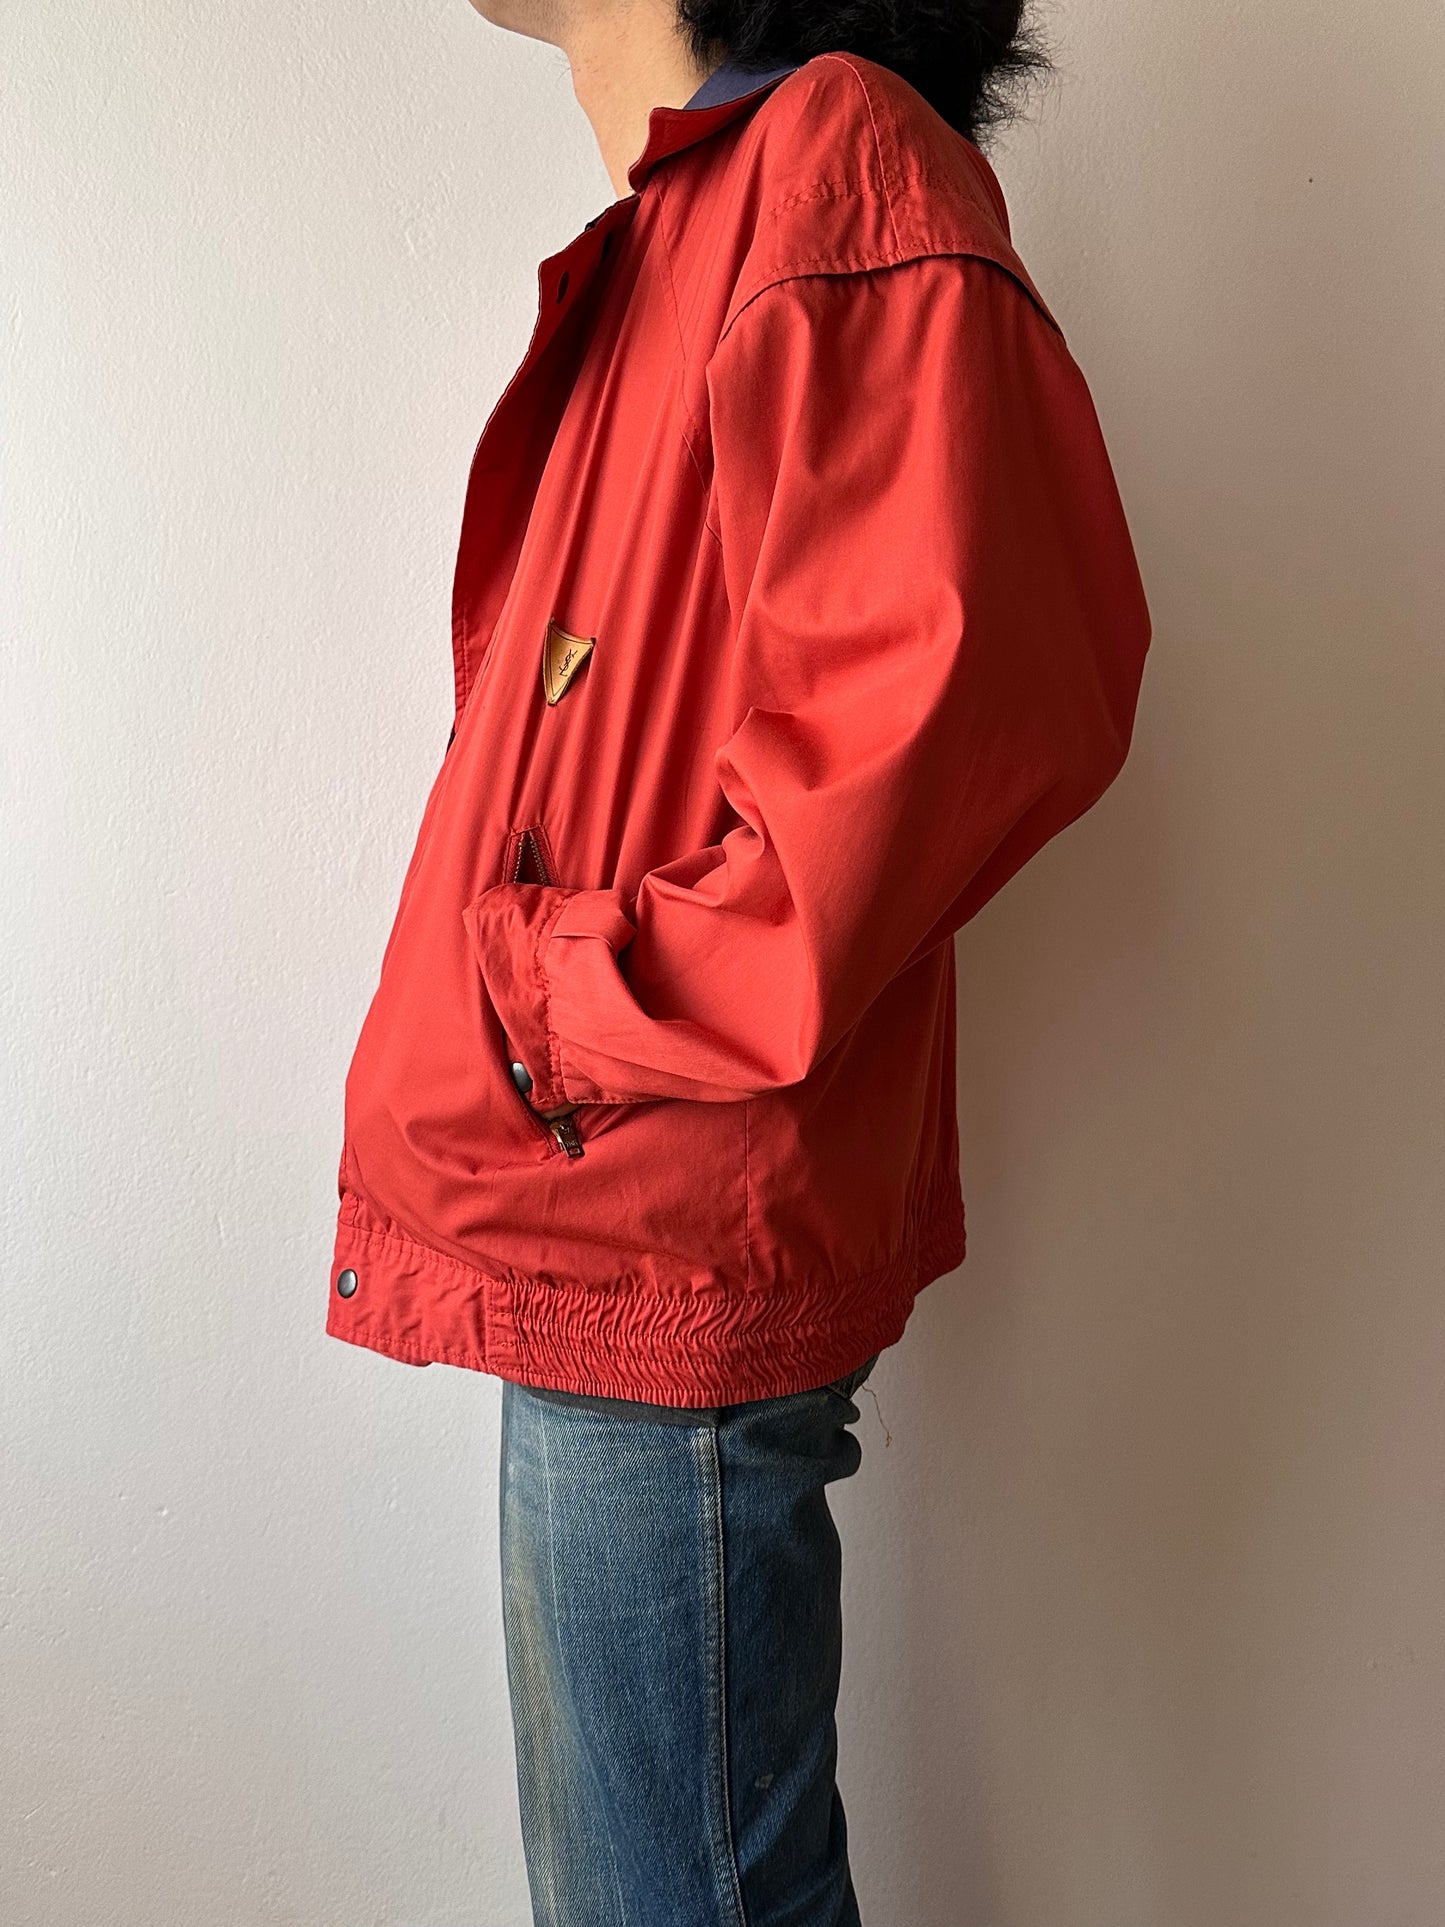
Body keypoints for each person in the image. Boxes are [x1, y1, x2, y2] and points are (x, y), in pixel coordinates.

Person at [325, 0, 1152, 1916]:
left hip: (652, 1195)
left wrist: (558, 1006)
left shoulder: (834, 158)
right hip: (608, 1193)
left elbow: (966, 702)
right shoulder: (705, 213)